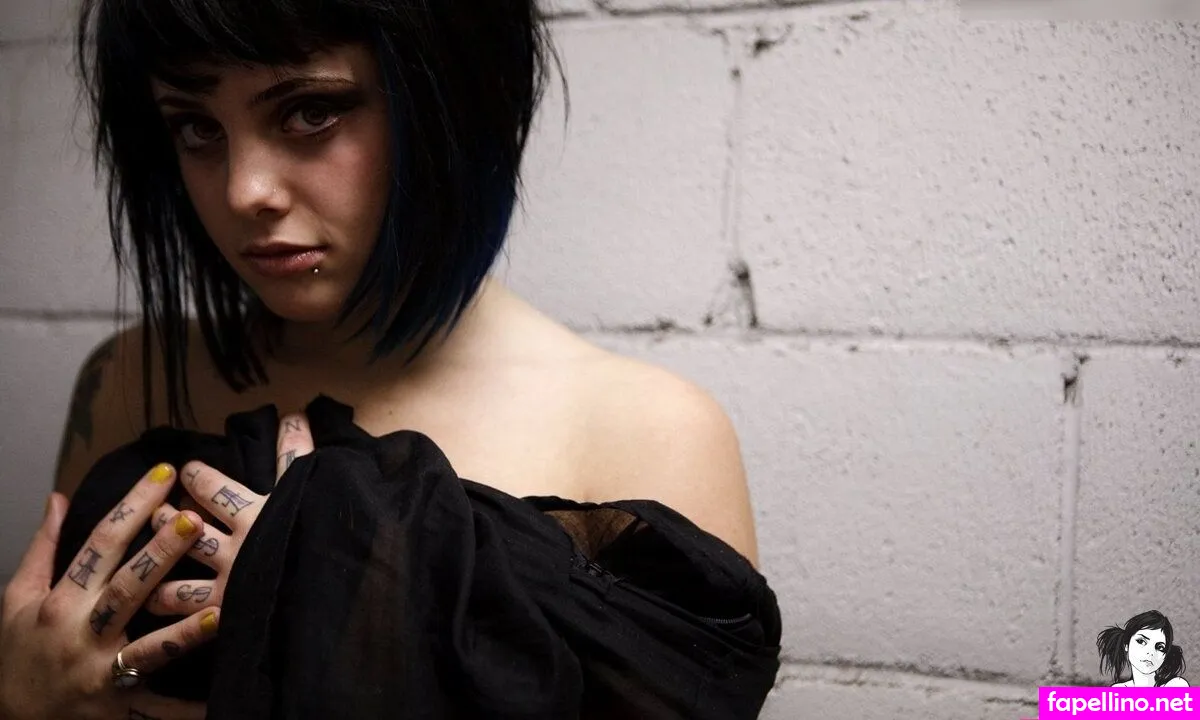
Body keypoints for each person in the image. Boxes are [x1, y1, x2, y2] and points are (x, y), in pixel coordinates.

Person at [0, 0, 776, 717]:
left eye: (310, 113)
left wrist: (332, 609)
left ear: (447, 103)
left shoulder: (646, 432)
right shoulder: (128, 377)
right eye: (197, 127)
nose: (245, 191)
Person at [1096, 610, 1189, 687]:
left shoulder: (1176, 685)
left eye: (1160, 647)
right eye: (1141, 641)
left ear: (1165, 656)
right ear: (1126, 645)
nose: (1150, 652)